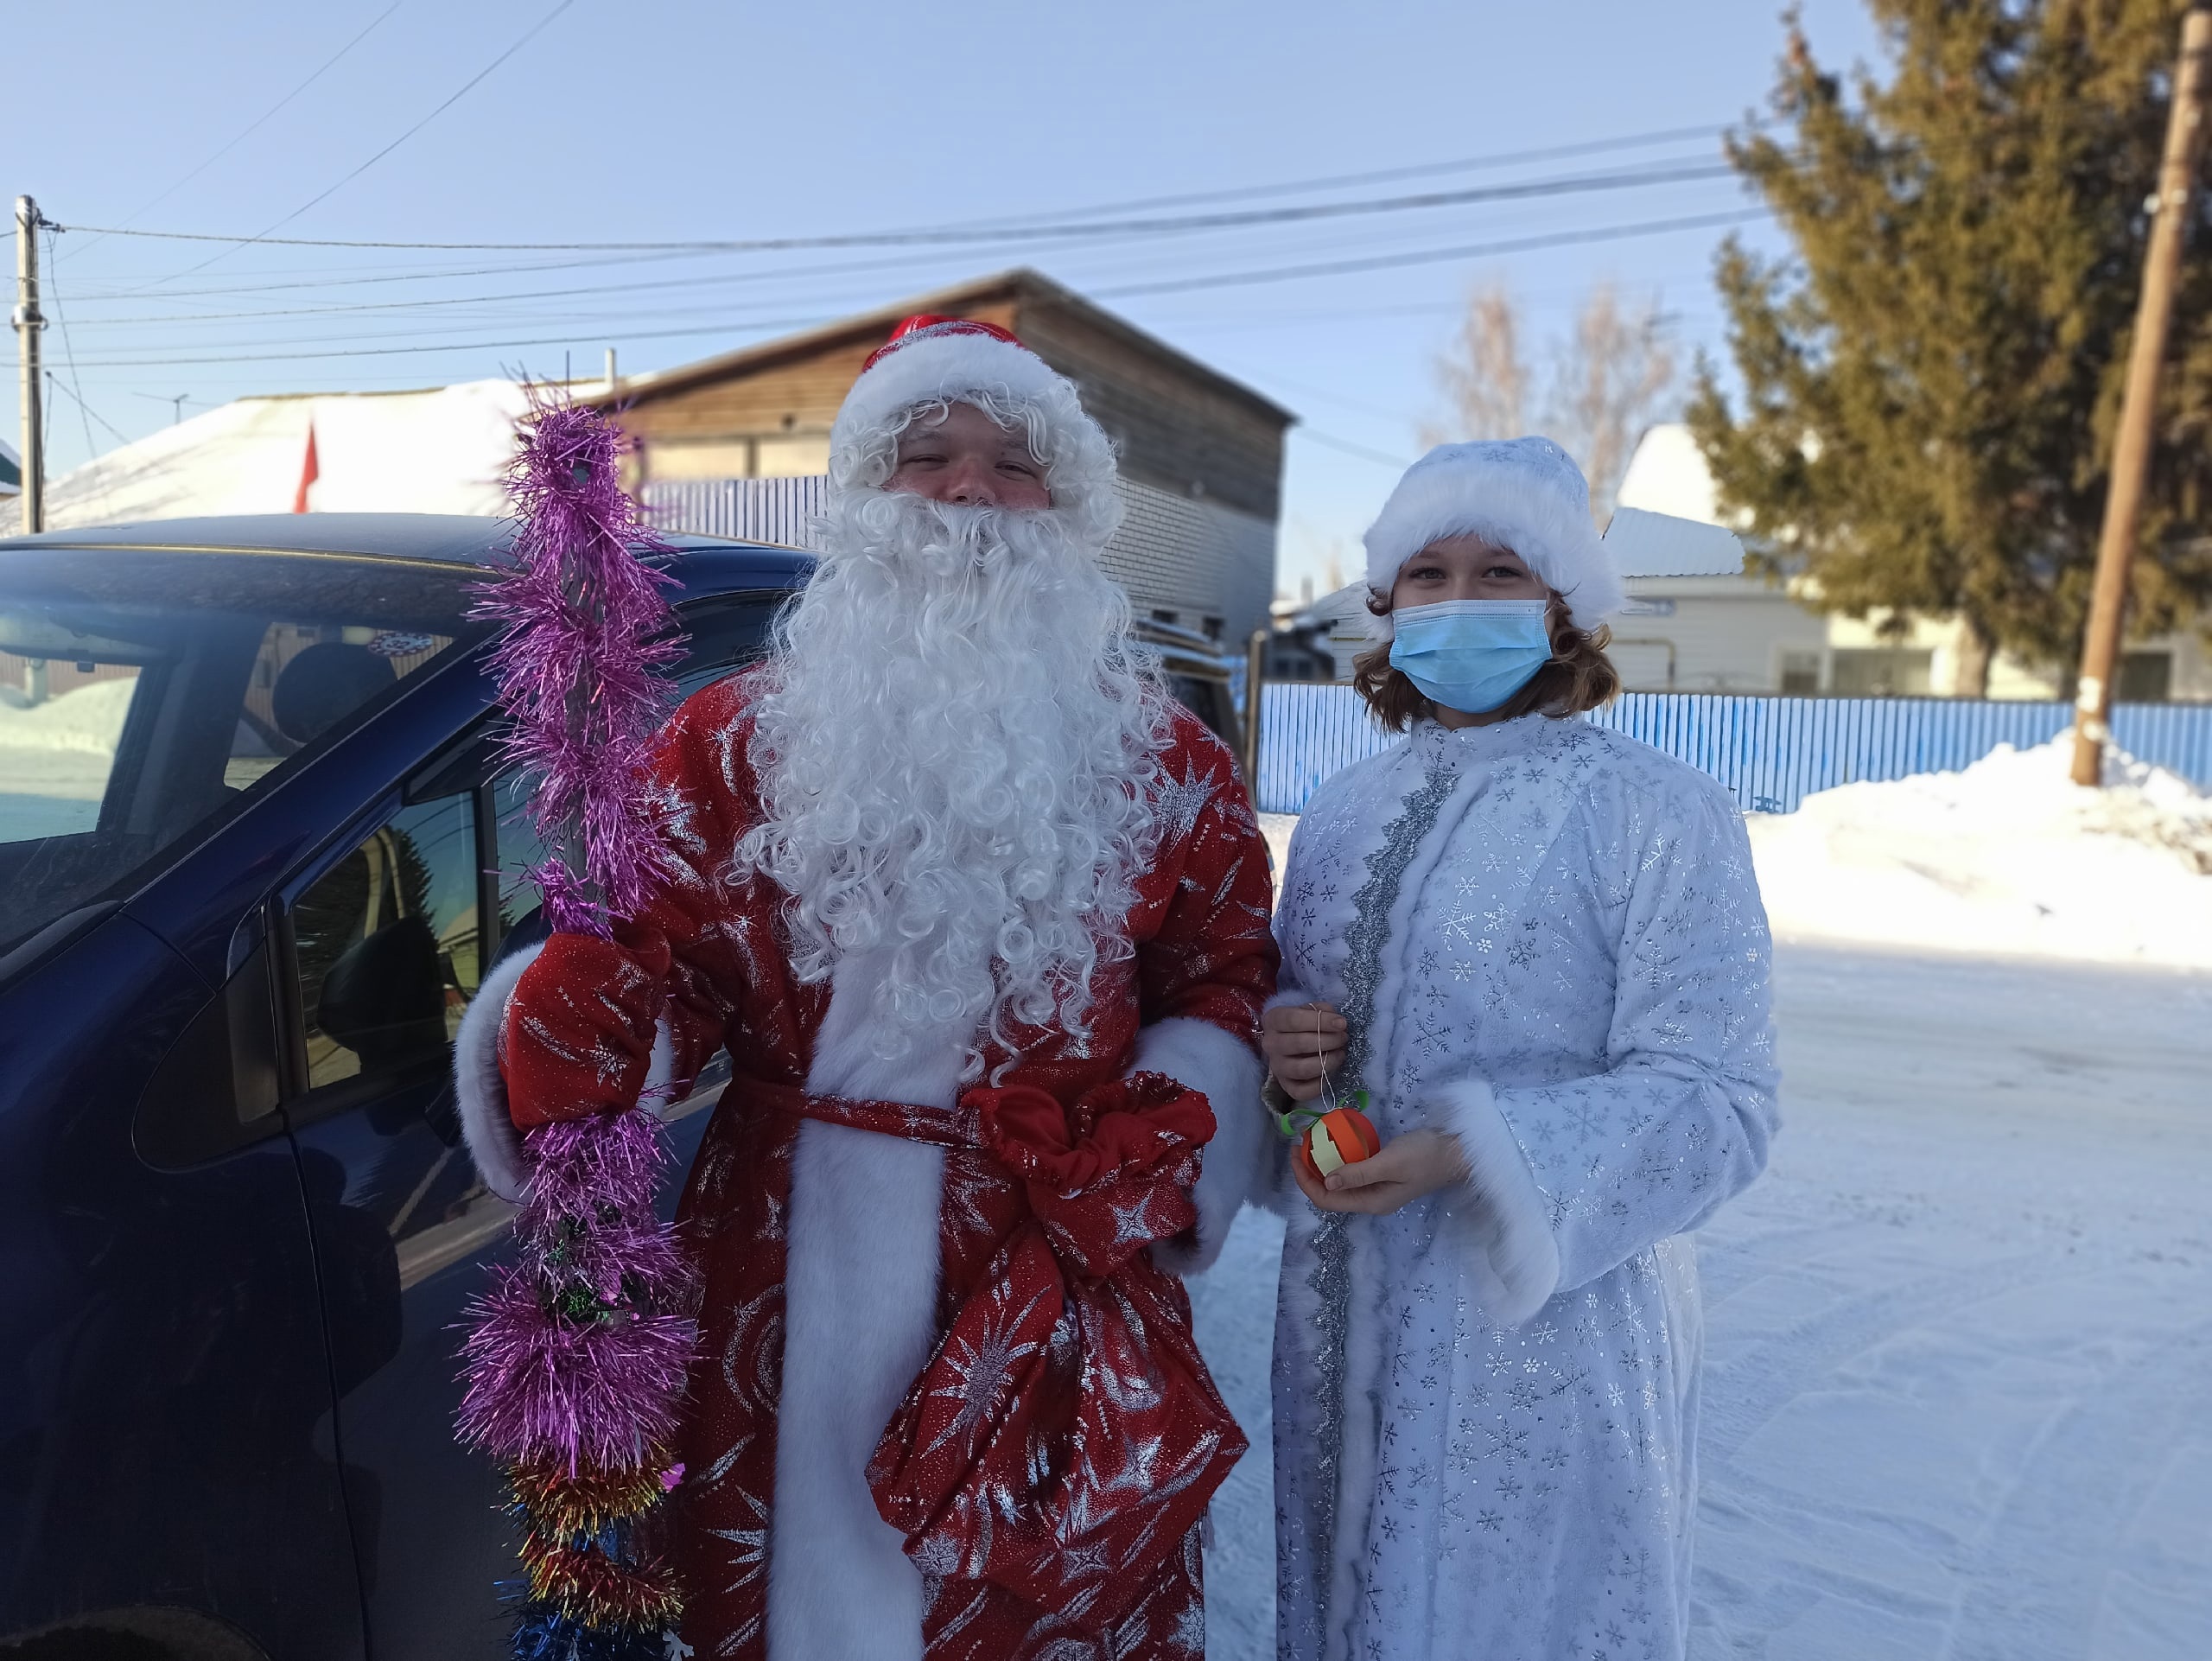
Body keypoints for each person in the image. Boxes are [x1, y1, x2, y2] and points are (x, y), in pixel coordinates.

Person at [456, 315, 1280, 1660]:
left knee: (1031, 1606)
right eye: (926, 454)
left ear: (1066, 504)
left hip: (1055, 1267)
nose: (968, 488)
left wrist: (1162, 1134)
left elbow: (1225, 978)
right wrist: (583, 1017)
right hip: (783, 1266)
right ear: (865, 493)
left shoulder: (1169, 760)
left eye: (1013, 461)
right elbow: (668, 974)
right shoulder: (732, 738)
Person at [1260, 437, 1778, 1661]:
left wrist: (1473, 1152)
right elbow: (1300, 1035)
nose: (1459, 602)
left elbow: (1720, 1096)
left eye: (1500, 571)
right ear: (1387, 607)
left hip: (1541, 1337)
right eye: (1427, 575)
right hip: (1338, 1320)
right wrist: (1280, 1052)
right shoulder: (1341, 808)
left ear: (1565, 607)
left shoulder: (1655, 810)